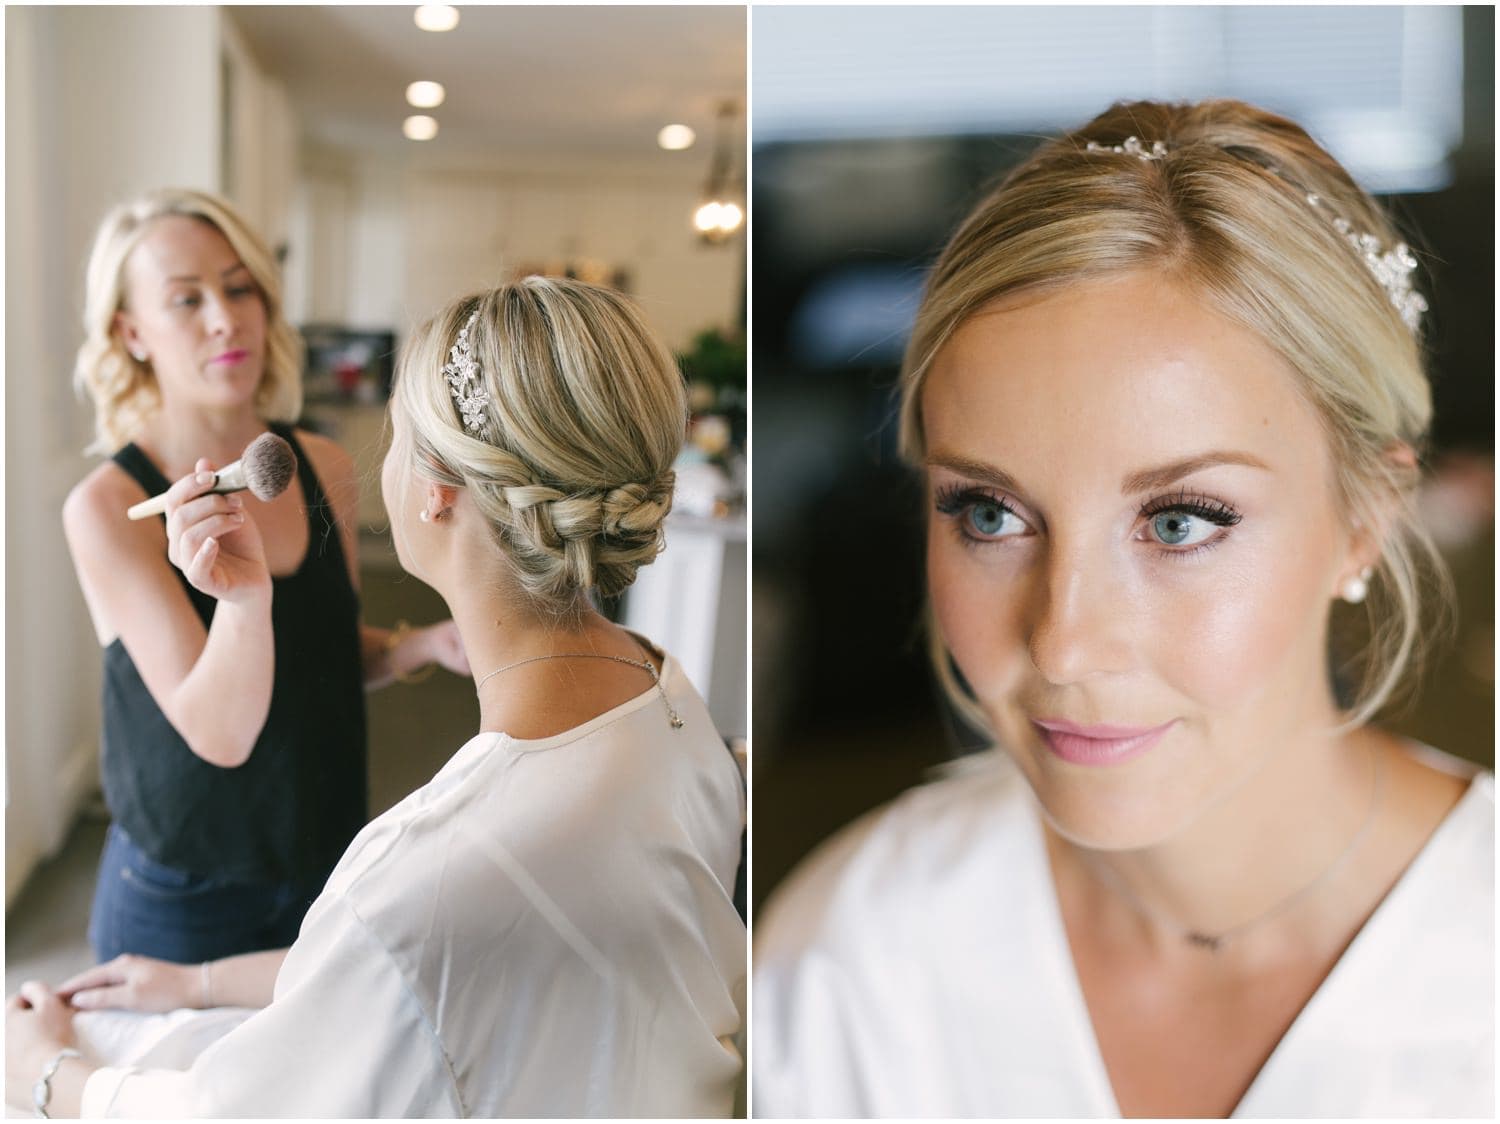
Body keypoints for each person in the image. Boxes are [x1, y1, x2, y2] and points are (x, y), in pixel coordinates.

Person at [753, 99, 1493, 1118]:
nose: (1064, 640)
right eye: (990, 511)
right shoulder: (855, 958)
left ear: (1365, 517)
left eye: (1181, 522)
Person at [8, 277, 747, 1118]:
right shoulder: (671, 697)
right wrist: (194, 979)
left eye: (397, 434)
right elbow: (394, 967)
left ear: (436, 486)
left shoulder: (422, 875)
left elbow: (233, 1109)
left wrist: (44, 1071)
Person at [55, 189, 466, 969]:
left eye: (239, 286)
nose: (225, 316)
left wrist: (422, 645)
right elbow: (222, 733)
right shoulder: (110, 508)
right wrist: (242, 601)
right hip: (186, 888)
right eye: (187, 299)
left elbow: (324, 654)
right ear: (130, 331)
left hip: (326, 856)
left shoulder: (321, 464)